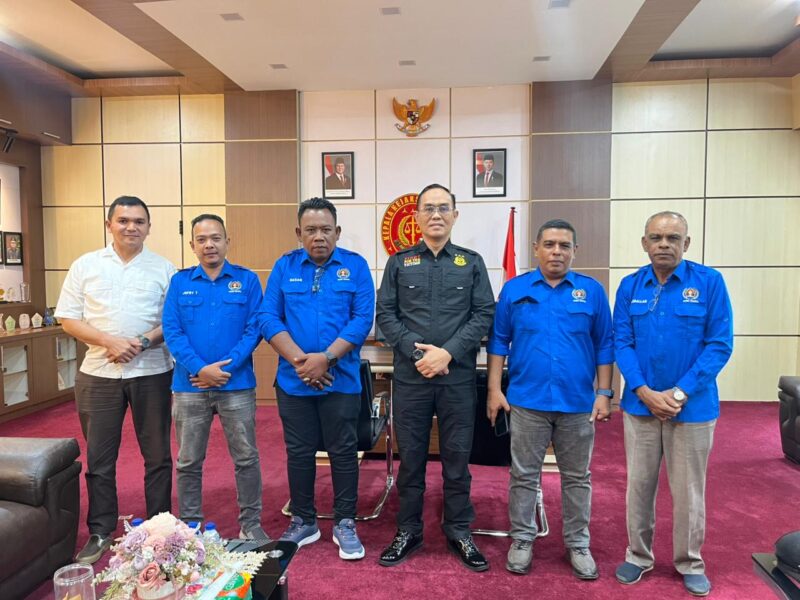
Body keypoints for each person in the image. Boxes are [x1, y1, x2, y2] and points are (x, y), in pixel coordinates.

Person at [376, 183, 495, 572]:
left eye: (444, 208)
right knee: (411, 459)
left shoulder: (471, 262)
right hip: (412, 378)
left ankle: (459, 530)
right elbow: (385, 315)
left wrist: (447, 353)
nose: (436, 214)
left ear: (455, 215)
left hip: (456, 378)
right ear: (417, 217)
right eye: (428, 208)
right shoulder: (399, 262)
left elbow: (484, 313)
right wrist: (419, 354)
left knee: (457, 459)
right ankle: (409, 530)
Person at [613, 211, 733, 597]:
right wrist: (643, 391)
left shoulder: (709, 283)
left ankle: (690, 562)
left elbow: (719, 345)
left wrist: (679, 393)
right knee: (639, 487)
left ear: (687, 243)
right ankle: (638, 556)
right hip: (641, 407)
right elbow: (622, 343)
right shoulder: (630, 286)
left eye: (673, 238)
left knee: (689, 492)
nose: (664, 244)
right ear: (644, 243)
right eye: (656, 237)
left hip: (692, 410)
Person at [486, 219, 614, 579]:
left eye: (564, 246)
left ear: (575, 251)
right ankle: (522, 539)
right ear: (536, 249)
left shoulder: (591, 291)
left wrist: (604, 393)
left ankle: (578, 543)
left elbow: (605, 344)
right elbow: (498, 342)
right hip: (527, 401)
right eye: (549, 244)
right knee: (524, 475)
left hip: (577, 403)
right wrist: (494, 389)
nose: (556, 251)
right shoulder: (515, 289)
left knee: (577, 477)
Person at [55, 195, 176, 564]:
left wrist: (141, 342)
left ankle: (159, 527)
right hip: (98, 374)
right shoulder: (86, 265)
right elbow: (68, 318)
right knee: (100, 459)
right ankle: (101, 530)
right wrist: (109, 341)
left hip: (152, 372)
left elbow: (172, 322)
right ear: (109, 224)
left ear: (149, 227)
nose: (131, 227)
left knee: (158, 456)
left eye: (139, 221)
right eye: (123, 220)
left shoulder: (165, 269)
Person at [259, 197, 374, 560]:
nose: (318, 236)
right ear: (299, 233)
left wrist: (325, 359)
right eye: (310, 230)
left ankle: (345, 522)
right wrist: (302, 361)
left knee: (343, 451)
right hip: (294, 380)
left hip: (341, 380)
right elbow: (268, 318)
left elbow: (362, 319)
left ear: (337, 232)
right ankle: (304, 520)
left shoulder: (355, 266)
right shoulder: (284, 266)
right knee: (299, 452)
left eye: (326, 229)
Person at [162, 214, 269, 541]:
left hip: (235, 384)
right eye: (202, 239)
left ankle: (250, 523)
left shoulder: (247, 280)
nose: (209, 244)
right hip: (190, 386)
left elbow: (255, 329)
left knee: (246, 457)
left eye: (216, 238)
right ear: (192, 245)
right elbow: (172, 331)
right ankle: (190, 526)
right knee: (188, 460)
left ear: (227, 241)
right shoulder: (180, 282)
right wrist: (200, 369)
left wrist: (224, 369)